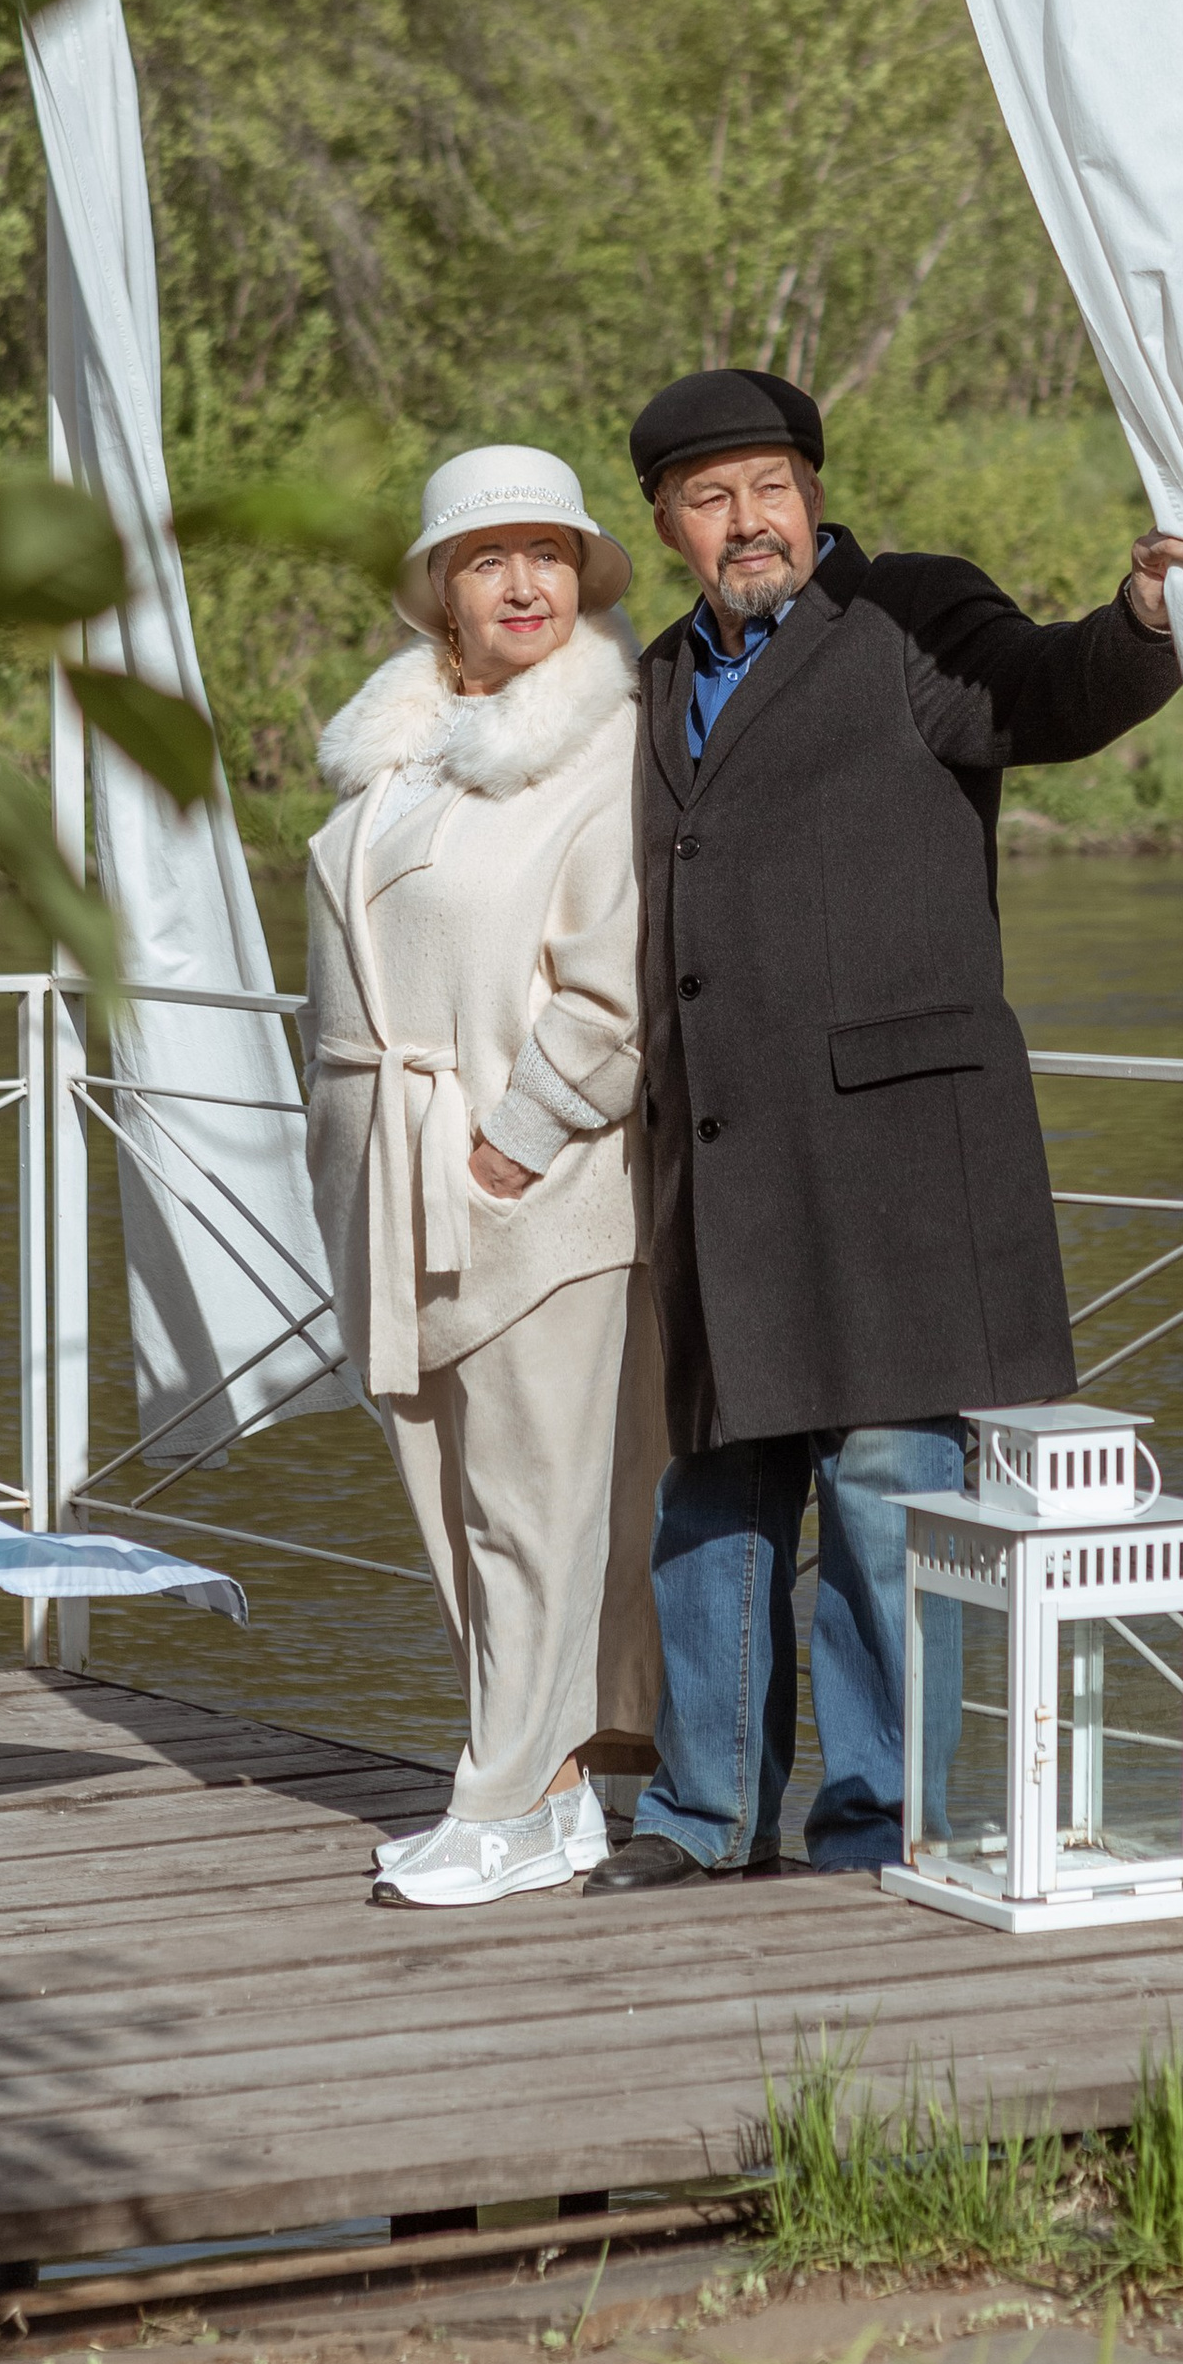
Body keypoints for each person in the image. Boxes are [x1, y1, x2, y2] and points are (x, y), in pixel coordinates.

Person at [582, 367, 1183, 1893]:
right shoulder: (655, 675)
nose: (751, 521)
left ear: (813, 490)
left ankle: (874, 1828)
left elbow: (1041, 693)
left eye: (773, 486)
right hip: (725, 1162)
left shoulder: (911, 615)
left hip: (894, 1163)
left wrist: (1139, 621)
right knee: (716, 1497)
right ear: (668, 523)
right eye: (712, 497)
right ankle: (702, 1818)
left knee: (882, 1497)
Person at [302, 445, 664, 1910]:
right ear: (441, 593)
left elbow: (617, 987)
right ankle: (555, 1788)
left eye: (550, 555)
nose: (524, 583)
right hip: (385, 1181)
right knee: (449, 1497)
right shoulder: (402, 751)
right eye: (488, 557)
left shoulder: (602, 752)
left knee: (540, 1504)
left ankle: (508, 1805)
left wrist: (518, 1138)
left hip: (536, 1178)